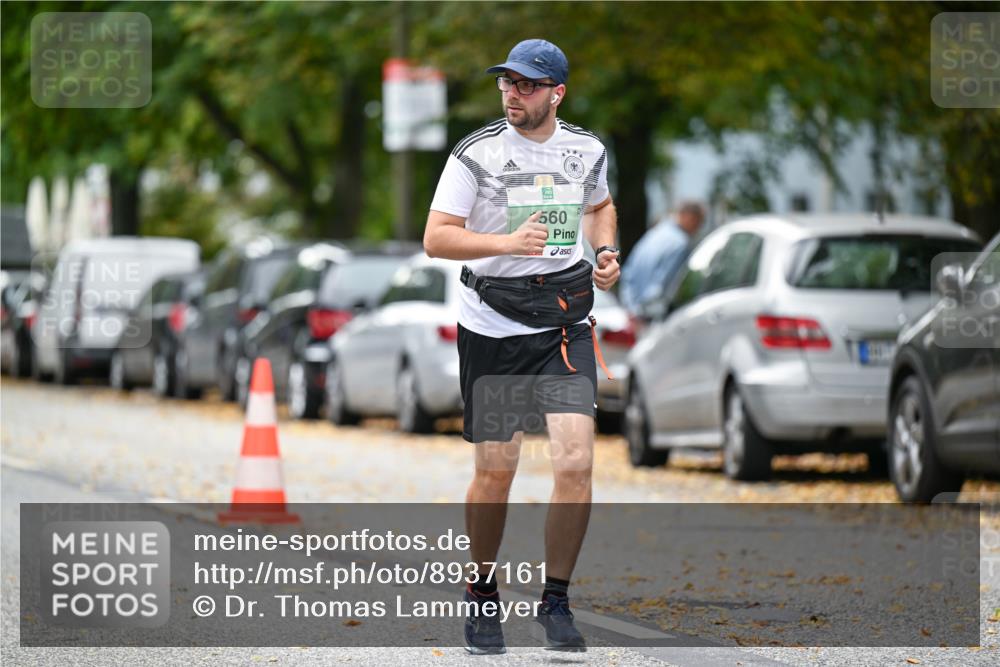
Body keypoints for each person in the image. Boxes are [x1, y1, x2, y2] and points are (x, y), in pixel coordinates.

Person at [424, 38, 619, 654]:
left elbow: (601, 205)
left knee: (576, 463)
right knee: (496, 469)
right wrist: (506, 242)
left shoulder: (584, 149)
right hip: (495, 325)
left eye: (527, 85)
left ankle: (556, 600)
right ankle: (482, 592)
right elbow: (437, 238)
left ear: (556, 92)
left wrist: (607, 251)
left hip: (563, 322)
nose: (513, 93)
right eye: (506, 83)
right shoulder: (476, 154)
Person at [619, 201, 705, 313]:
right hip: (652, 315)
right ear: (689, 217)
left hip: (631, 310)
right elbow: (664, 286)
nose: (699, 228)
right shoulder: (680, 244)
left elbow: (628, 273)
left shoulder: (654, 233)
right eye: (698, 222)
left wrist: (631, 308)